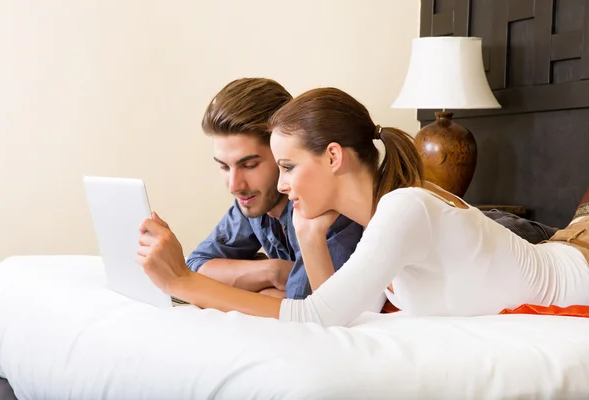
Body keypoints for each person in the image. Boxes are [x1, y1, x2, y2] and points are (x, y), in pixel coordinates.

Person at [137, 87, 589, 327]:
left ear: (333, 157)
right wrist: (311, 237)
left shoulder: (403, 209)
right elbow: (347, 314)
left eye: (289, 166)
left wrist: (183, 281)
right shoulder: (379, 222)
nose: (284, 182)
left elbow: (312, 315)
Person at [184, 78, 364, 299]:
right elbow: (194, 266)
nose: (234, 185)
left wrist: (248, 283)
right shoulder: (252, 200)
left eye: (249, 165)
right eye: (223, 166)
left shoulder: (321, 206)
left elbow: (304, 309)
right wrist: (273, 272)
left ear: (282, 152)